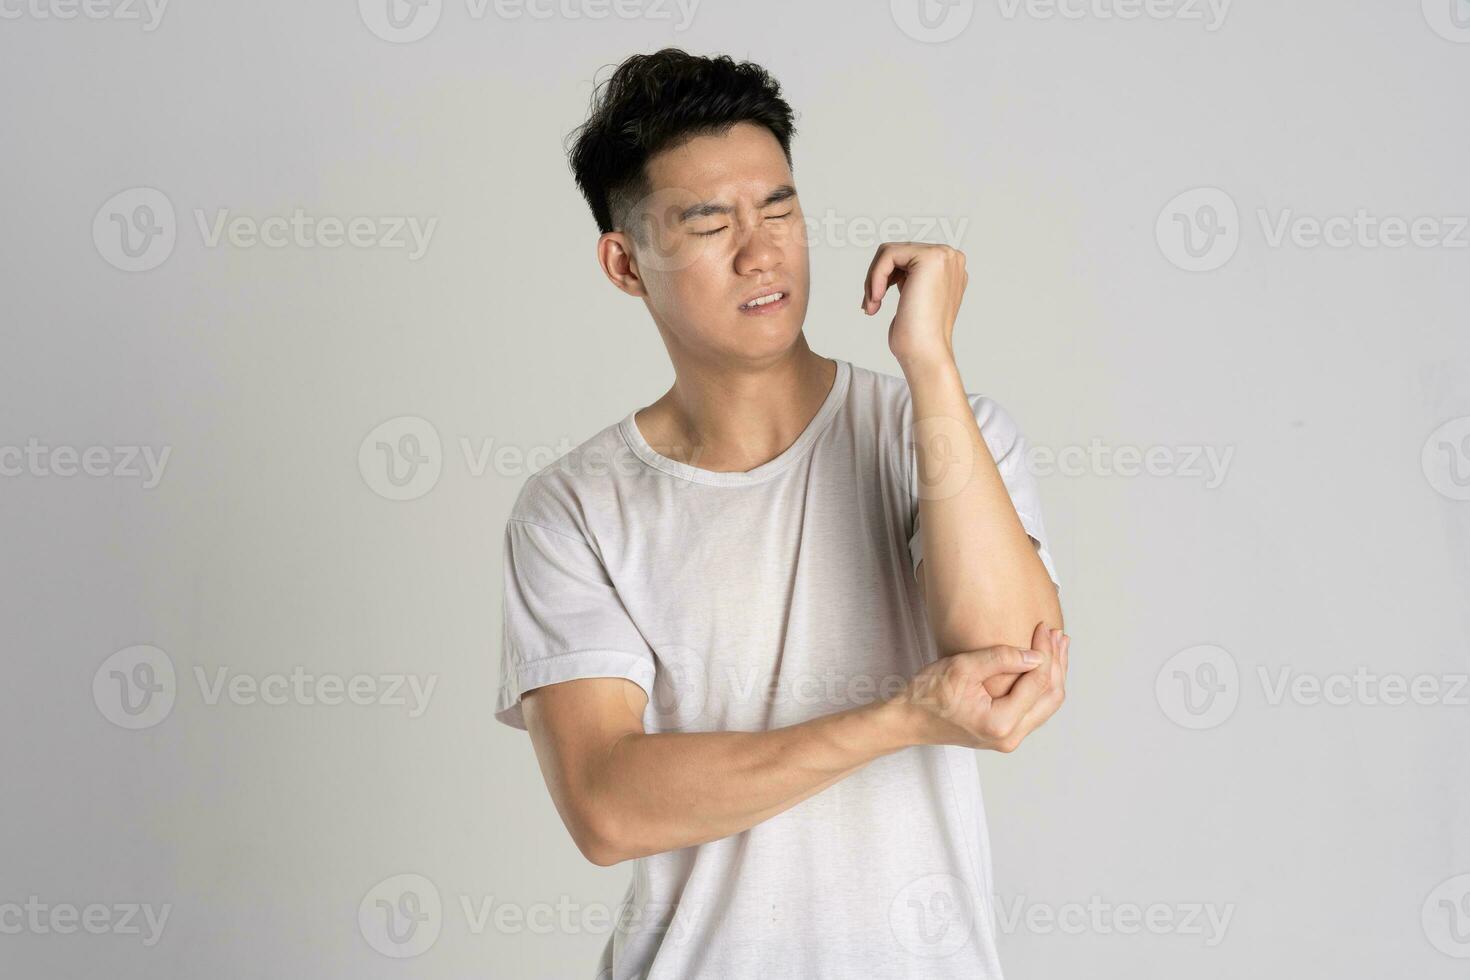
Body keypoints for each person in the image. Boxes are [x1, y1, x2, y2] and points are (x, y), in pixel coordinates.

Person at [495, 47, 1070, 980]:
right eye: (710, 223)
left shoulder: (942, 428)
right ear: (625, 263)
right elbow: (607, 808)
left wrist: (931, 365)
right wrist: (904, 717)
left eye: (780, 207)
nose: (760, 251)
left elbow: (1007, 671)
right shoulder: (575, 508)